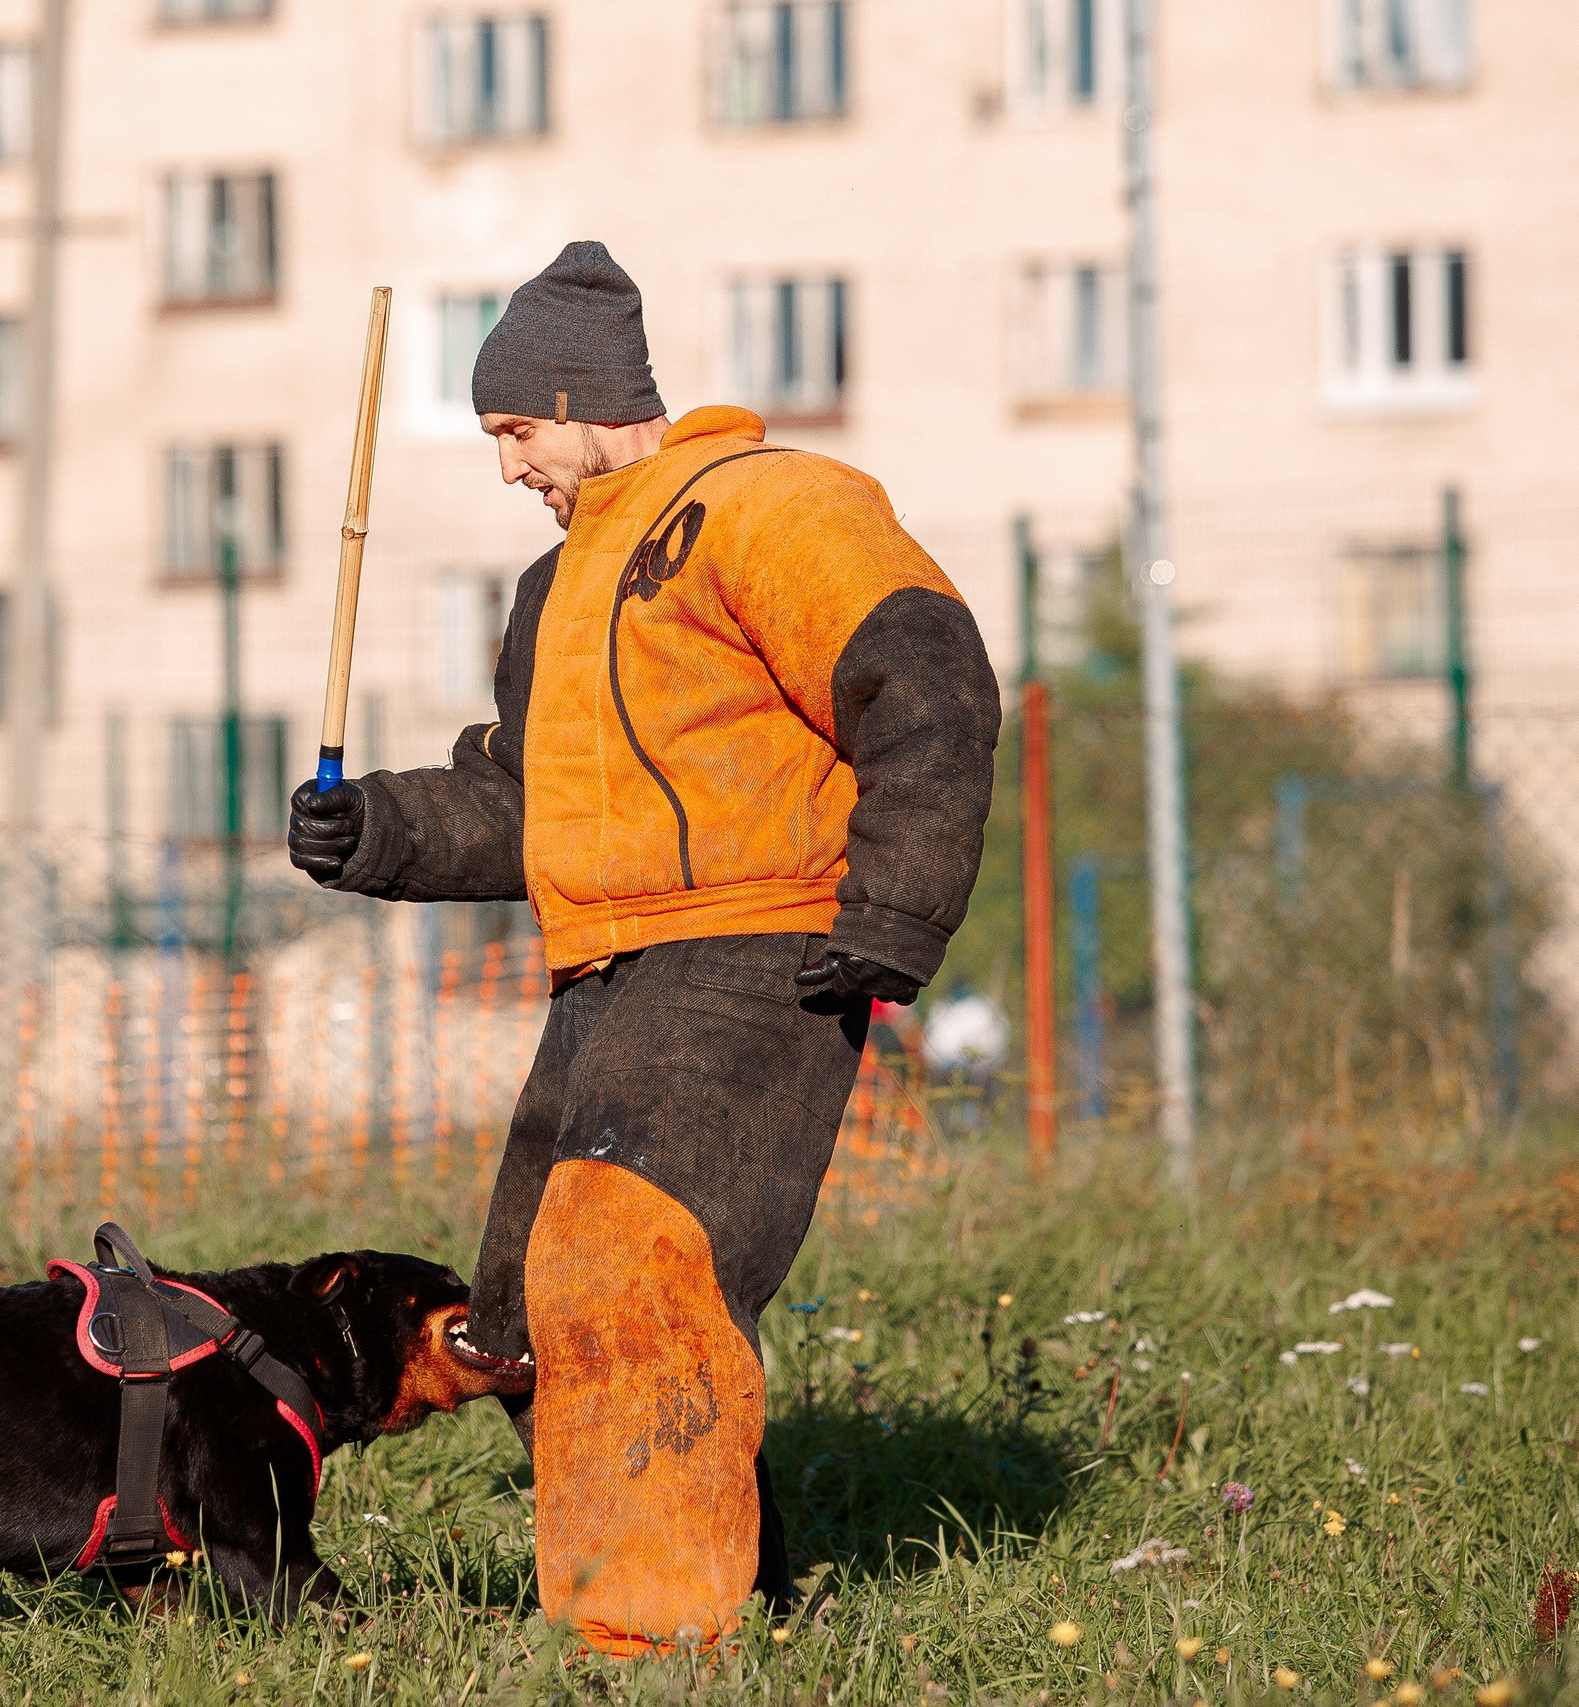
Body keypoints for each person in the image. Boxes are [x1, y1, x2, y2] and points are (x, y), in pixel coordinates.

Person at [287, 240, 999, 1655]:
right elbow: (524, 803)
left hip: (760, 945)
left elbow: (925, 677)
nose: (510, 468)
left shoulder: (775, 505)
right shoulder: (556, 592)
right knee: (531, 1317)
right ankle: (747, 1602)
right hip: (605, 969)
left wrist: (895, 908)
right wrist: (379, 829)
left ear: (581, 400)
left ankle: (652, 1649)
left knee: (629, 1268)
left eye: (517, 432)